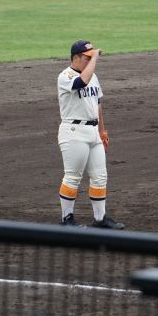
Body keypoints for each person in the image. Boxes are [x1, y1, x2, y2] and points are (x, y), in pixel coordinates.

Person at [56, 40, 124, 230]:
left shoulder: (92, 76)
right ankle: (66, 220)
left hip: (93, 132)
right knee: (72, 177)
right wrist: (94, 58)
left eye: (91, 57)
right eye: (87, 58)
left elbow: (97, 105)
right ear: (75, 58)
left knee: (100, 176)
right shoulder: (65, 76)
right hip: (74, 132)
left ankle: (100, 219)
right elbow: (81, 82)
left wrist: (102, 132)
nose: (90, 60)